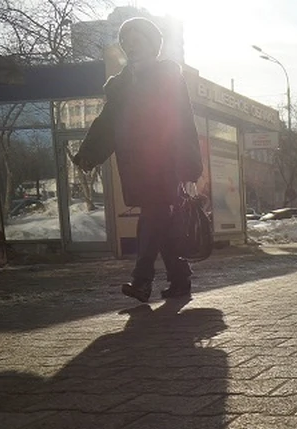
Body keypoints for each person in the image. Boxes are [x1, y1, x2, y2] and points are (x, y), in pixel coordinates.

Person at [73, 17, 203, 303]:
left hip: (165, 162)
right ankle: (180, 281)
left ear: (153, 45)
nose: (132, 48)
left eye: (138, 42)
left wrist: (189, 167)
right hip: (135, 164)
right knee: (162, 221)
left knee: (153, 215)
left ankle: (141, 280)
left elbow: (182, 121)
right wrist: (89, 154)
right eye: (127, 44)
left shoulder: (167, 76)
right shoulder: (120, 85)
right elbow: (107, 123)